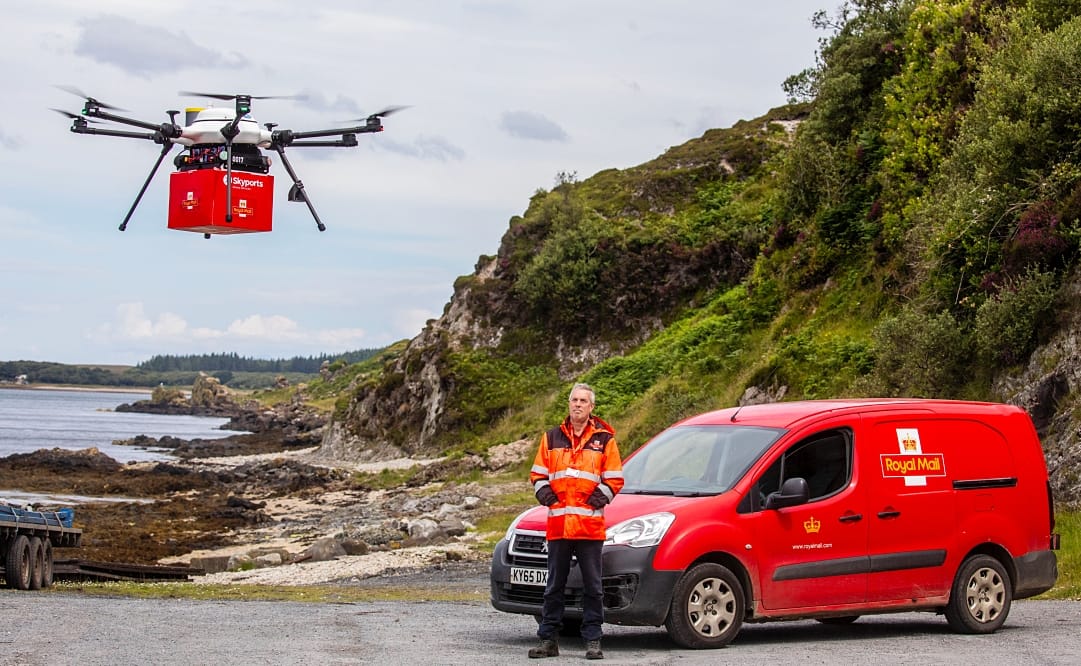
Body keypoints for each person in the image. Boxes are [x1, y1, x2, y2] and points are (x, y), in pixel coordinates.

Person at [528, 383, 624, 660]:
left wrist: (595, 500)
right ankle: (548, 640)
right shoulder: (551, 437)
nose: (578, 404)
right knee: (553, 586)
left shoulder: (605, 440)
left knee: (593, 587)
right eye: (574, 400)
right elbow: (538, 474)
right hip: (559, 526)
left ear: (591, 407)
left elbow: (615, 478)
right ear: (569, 404)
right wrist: (547, 496)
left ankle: (593, 640)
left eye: (583, 401)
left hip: (589, 527)